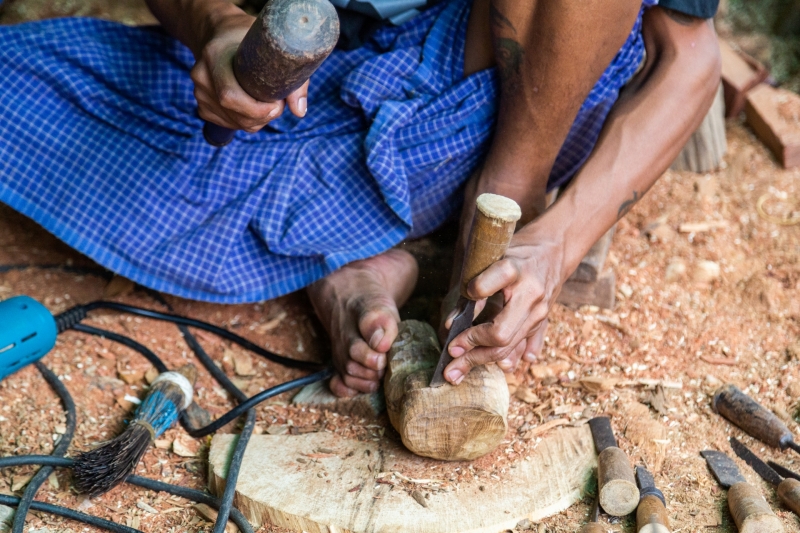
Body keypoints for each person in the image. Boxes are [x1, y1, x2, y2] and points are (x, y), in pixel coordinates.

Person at [0, 0, 720, 397]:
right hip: (302, 95)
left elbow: (689, 59)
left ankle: (500, 204)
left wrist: (556, 239)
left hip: (487, 102)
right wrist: (215, 26)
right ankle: (351, 259)